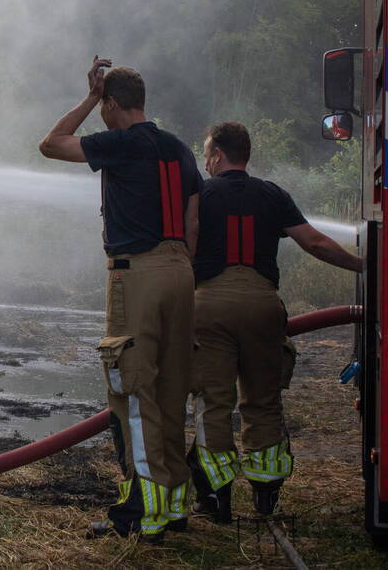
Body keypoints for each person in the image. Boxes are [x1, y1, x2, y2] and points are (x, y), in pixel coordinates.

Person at [39, 58, 201, 543]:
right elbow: (193, 222)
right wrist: (179, 267)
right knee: (172, 390)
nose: (102, 115)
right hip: (181, 272)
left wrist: (88, 97)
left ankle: (141, 511)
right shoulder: (179, 149)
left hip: (137, 275)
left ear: (112, 104)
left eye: (103, 106)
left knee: (132, 390)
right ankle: (173, 505)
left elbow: (51, 144)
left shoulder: (121, 142)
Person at [188, 122, 362, 521]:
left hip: (210, 306)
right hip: (263, 306)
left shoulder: (200, 193)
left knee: (213, 404)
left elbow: (183, 245)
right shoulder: (273, 194)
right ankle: (266, 498)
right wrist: (364, 266)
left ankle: (215, 500)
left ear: (217, 155)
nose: (205, 161)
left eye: (207, 154)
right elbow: (315, 242)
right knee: (263, 402)